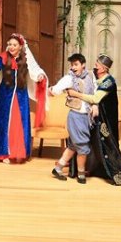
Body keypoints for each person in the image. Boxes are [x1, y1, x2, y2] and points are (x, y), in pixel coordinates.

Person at [66, 54, 121, 186]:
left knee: (107, 144)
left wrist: (75, 94)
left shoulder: (109, 82)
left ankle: (117, 173)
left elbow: (95, 98)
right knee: (86, 140)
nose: (95, 67)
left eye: (97, 65)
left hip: (106, 119)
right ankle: (87, 168)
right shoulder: (95, 77)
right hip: (94, 117)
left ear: (104, 68)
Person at [0, 33, 47, 164]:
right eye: (10, 44)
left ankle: (18, 151)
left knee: (19, 123)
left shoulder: (26, 58)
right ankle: (3, 153)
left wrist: (40, 76)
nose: (11, 47)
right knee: (4, 122)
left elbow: (35, 69)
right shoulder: (3, 57)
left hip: (20, 95)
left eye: (14, 45)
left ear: (20, 46)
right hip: (5, 95)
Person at [49, 53, 95, 184]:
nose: (73, 67)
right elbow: (56, 90)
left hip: (86, 117)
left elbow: (95, 94)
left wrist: (95, 105)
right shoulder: (69, 78)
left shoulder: (89, 78)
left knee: (74, 145)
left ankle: (58, 168)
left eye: (76, 64)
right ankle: (81, 174)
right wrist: (50, 90)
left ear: (83, 65)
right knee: (83, 146)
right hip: (75, 116)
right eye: (72, 65)